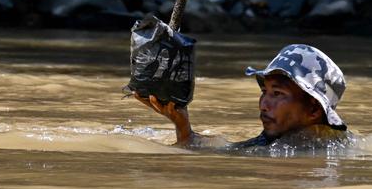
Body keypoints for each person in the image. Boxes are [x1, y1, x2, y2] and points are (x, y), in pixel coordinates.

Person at [135, 43, 349, 150]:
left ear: (313, 110)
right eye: (264, 91)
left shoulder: (308, 148)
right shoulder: (272, 141)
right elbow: (226, 151)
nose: (264, 104)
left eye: (277, 93)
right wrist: (181, 123)